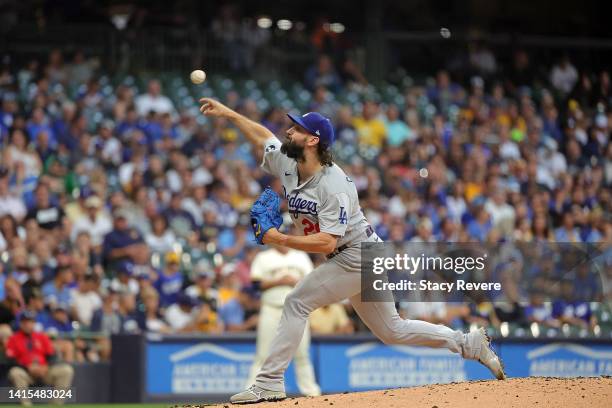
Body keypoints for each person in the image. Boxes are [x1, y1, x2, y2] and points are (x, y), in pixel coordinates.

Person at [198, 98, 505, 404]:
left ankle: (268, 383)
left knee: (295, 302)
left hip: (357, 254)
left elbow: (327, 242)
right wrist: (228, 113)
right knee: (392, 330)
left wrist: (279, 239)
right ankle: (468, 343)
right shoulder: (290, 164)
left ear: (313, 140)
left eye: (296, 128)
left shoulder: (334, 184)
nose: (288, 132)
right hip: (357, 254)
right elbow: (263, 136)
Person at [246, 244, 320, 397]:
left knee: (302, 354)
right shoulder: (263, 257)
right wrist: (280, 281)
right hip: (271, 308)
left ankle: (312, 394)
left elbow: (313, 282)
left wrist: (294, 281)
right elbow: (255, 285)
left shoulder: (300, 256)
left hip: (297, 310)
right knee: (263, 354)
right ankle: (252, 390)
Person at [5, 312, 74, 406]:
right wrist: (27, 367)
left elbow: (52, 357)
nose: (28, 325)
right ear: (21, 323)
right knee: (15, 372)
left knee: (66, 370)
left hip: (43, 371)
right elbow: (10, 360)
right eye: (25, 322)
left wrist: (45, 367)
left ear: (34, 323)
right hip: (26, 373)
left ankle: (56, 405)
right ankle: (26, 405)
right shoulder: (14, 338)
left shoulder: (41, 337)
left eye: (31, 322)